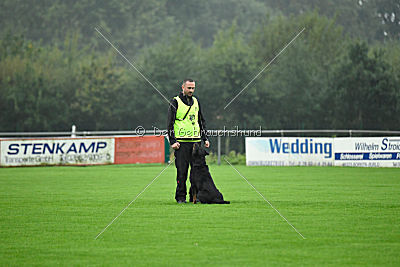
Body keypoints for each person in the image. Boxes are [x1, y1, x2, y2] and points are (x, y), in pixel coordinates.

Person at [167, 78, 210, 203]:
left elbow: (201, 121)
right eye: (189, 88)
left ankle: (194, 197)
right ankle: (180, 197)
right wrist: (172, 141)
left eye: (193, 88)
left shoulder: (196, 101)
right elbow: (170, 124)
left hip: (196, 142)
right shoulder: (175, 102)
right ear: (183, 87)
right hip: (181, 143)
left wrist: (205, 138)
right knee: (182, 171)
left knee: (196, 172)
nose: (191, 90)